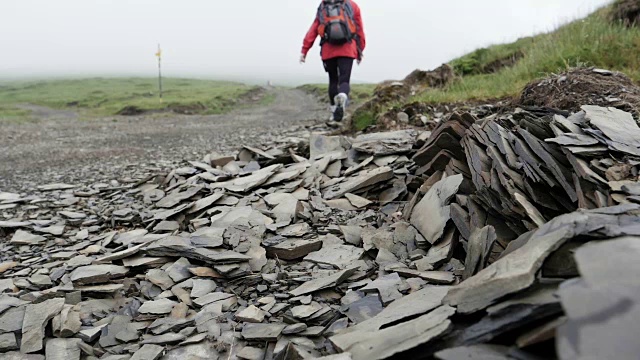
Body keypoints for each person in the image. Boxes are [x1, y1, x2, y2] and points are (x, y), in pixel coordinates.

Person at [300, 0, 366, 122]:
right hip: (347, 48)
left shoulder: (323, 5)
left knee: (333, 80)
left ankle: (334, 112)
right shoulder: (351, 5)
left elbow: (314, 29)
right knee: (344, 80)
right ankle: (343, 96)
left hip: (328, 50)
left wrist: (304, 50)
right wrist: (360, 49)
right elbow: (359, 28)